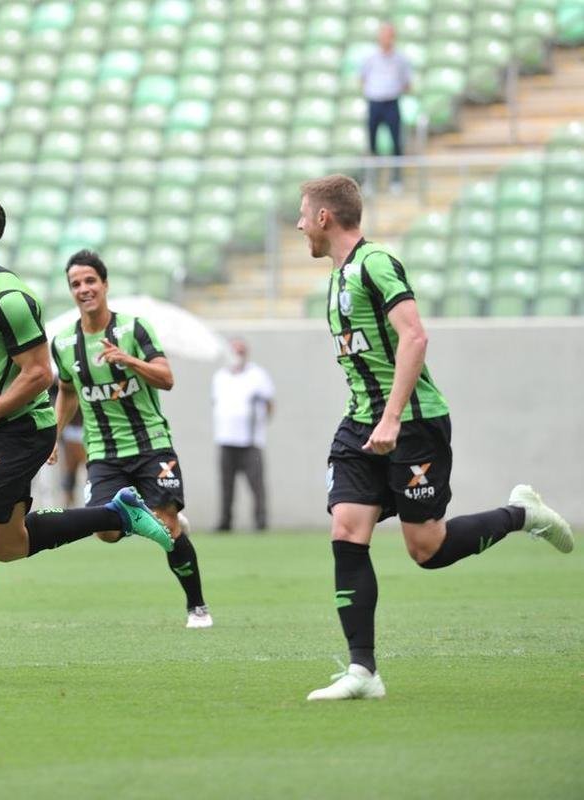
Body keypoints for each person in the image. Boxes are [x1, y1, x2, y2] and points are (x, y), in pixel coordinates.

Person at [296, 174, 573, 701]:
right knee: (346, 529)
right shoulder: (337, 276)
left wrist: (393, 418)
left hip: (412, 422)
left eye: (304, 214)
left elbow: (415, 336)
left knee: (427, 549)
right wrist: (373, 418)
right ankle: (363, 672)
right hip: (360, 420)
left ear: (325, 217)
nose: (299, 224)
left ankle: (522, 513)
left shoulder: (375, 264)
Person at [0, 188, 173, 685]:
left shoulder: (11, 298)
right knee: (8, 545)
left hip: (19, 432)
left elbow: (40, 375)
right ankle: (117, 512)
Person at [48, 249, 212, 629]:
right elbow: (68, 393)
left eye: (90, 281)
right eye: (76, 284)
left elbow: (166, 378)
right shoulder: (64, 343)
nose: (84, 288)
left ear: (105, 285)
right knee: (104, 531)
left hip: (151, 445)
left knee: (169, 529)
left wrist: (130, 362)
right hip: (104, 453)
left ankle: (197, 607)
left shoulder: (135, 329)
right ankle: (149, 514)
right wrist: (52, 440)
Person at [211, 337, 275, 532]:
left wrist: (261, 425)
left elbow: (269, 403)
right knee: (226, 484)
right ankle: (225, 521)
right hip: (226, 438)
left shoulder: (258, 375)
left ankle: (260, 520)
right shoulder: (220, 376)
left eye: (240, 352)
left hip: (250, 440)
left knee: (256, 483)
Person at [359, 22, 412, 193]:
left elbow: (407, 83)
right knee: (372, 144)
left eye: (389, 35)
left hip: (391, 103)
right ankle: (371, 180)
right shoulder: (370, 58)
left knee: (396, 143)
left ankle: (396, 180)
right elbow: (362, 78)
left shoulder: (400, 59)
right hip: (375, 103)